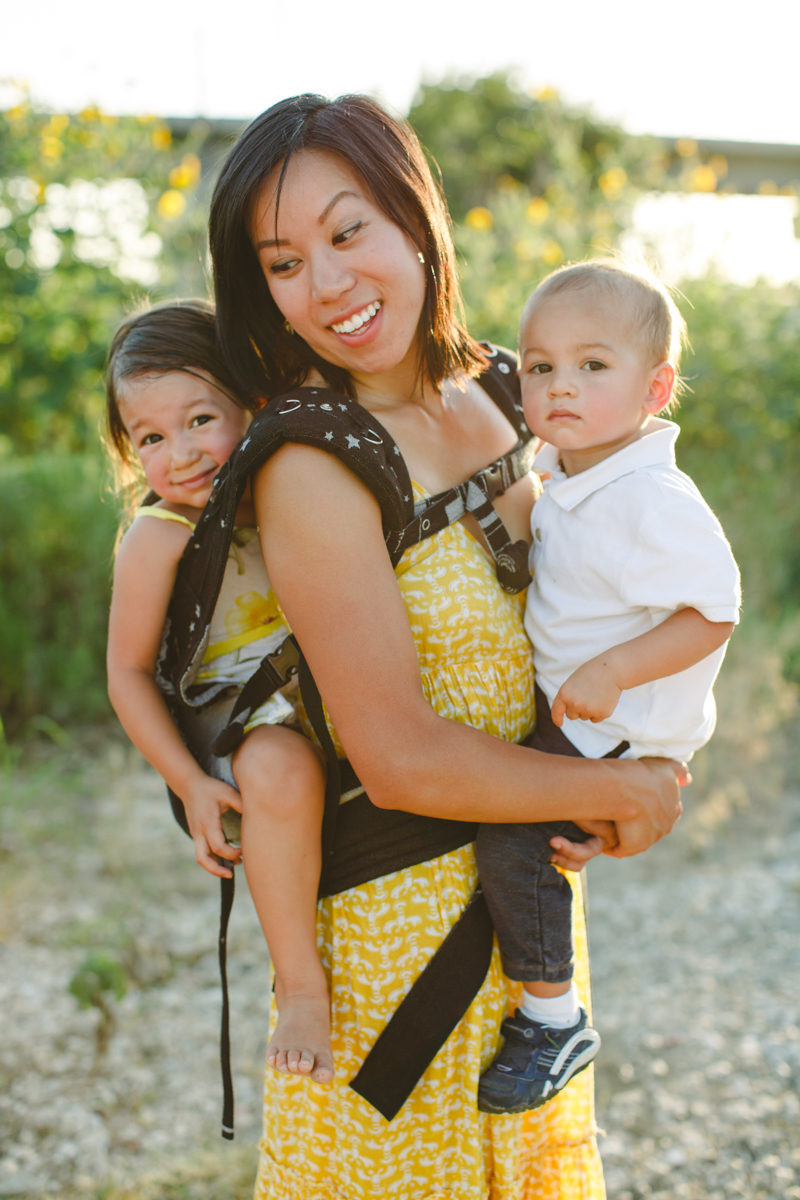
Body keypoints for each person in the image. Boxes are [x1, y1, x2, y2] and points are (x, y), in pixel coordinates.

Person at [209, 94, 686, 1200]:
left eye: (346, 232)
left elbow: (613, 601)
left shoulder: (512, 391)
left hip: (525, 924)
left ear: (413, 217)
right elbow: (398, 755)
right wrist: (612, 795)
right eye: (282, 263)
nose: (325, 286)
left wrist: (643, 763)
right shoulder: (312, 464)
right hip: (395, 946)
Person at [475, 259, 741, 1115]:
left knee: (511, 836)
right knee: (543, 833)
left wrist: (614, 668)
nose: (560, 386)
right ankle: (577, 856)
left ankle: (554, 1019)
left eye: (594, 366)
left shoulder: (652, 496)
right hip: (592, 718)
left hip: (617, 723)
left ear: (655, 388)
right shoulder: (572, 467)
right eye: (539, 366)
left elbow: (716, 610)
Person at [104, 299, 335, 1085]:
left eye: (202, 418)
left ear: (252, 404)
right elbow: (128, 673)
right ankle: (300, 985)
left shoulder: (292, 491)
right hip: (246, 714)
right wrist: (191, 783)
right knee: (277, 771)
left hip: (338, 684)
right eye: (152, 438)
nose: (182, 453)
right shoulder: (160, 538)